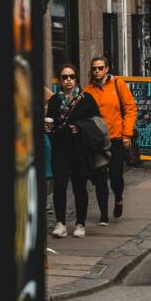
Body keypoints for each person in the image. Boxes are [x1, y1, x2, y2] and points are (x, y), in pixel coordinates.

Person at [47, 64, 101, 238]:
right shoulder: (55, 100)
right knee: (60, 185)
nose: (68, 80)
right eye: (64, 77)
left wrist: (80, 127)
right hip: (60, 148)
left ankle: (80, 223)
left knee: (79, 187)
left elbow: (96, 123)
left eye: (71, 77)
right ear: (60, 80)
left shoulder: (86, 99)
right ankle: (60, 223)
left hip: (80, 149)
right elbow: (51, 122)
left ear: (76, 79)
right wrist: (48, 128)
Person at [84, 55, 137, 224]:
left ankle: (119, 197)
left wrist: (127, 134)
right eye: (94, 68)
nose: (97, 71)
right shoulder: (88, 91)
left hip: (116, 138)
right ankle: (103, 215)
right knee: (100, 177)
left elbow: (130, 108)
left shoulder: (117, 84)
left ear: (107, 69)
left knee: (115, 176)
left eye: (100, 68)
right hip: (97, 141)